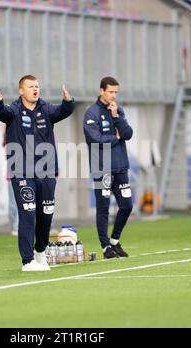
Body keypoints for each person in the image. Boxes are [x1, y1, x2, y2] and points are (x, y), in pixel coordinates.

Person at [0, 75, 74, 271]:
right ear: (21, 90)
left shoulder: (46, 109)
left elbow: (63, 111)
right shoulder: (13, 110)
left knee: (46, 214)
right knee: (27, 213)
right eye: (31, 86)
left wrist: (68, 101)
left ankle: (40, 251)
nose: (35, 89)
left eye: (37, 86)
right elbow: (0, 112)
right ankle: (27, 261)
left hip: (45, 172)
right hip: (22, 172)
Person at [83, 76, 133, 259]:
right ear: (101, 91)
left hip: (120, 168)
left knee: (127, 205)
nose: (113, 95)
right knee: (103, 208)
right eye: (110, 91)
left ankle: (114, 241)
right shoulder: (91, 113)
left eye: (116, 92)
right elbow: (95, 140)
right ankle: (105, 247)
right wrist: (116, 138)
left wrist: (116, 117)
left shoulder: (118, 110)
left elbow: (127, 134)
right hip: (102, 168)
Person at [2, 127, 19, 236]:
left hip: (14, 175)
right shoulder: (10, 143)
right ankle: (15, 226)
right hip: (13, 176)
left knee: (14, 203)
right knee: (14, 203)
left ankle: (15, 226)